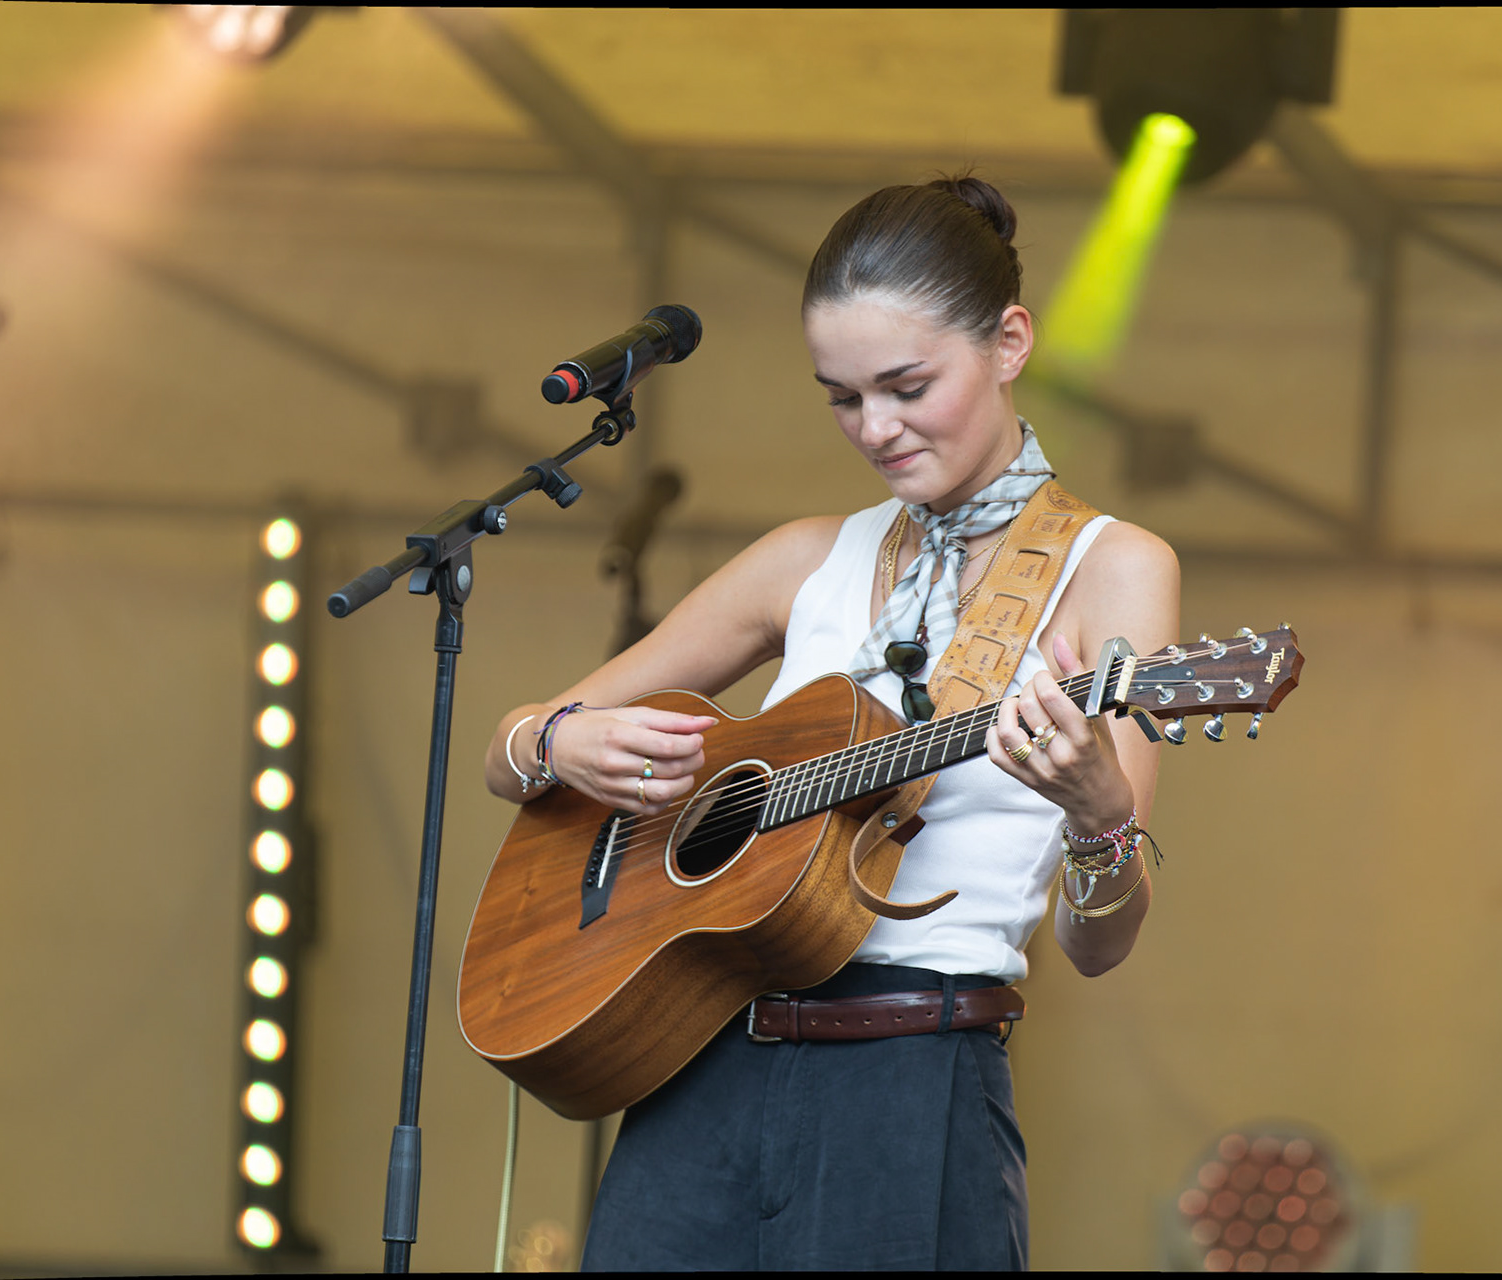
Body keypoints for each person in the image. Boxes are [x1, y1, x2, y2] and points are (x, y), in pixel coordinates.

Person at [483, 173, 1180, 1271]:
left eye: (908, 384)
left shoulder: (1115, 569)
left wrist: (1097, 813)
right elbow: (513, 742)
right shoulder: (808, 555)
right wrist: (555, 741)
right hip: (699, 1061)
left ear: (1008, 341)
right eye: (844, 397)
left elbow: (1102, 942)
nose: (878, 428)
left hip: (914, 1075)